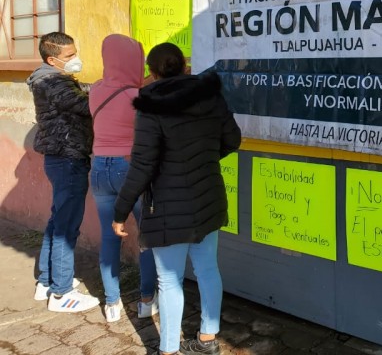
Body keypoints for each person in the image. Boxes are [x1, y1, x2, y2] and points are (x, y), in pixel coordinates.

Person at [113, 43, 241, 355]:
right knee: (208, 269)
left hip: (168, 207)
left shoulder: (150, 106)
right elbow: (233, 140)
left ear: (152, 73)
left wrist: (120, 211)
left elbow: (142, 166)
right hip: (208, 197)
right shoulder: (211, 96)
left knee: (169, 282)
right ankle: (207, 341)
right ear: (185, 66)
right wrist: (205, 159)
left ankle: (169, 350)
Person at [27, 31, 100, 312]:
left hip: (61, 159)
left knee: (58, 221)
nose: (75, 59)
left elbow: (84, 91)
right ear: (52, 59)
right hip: (68, 159)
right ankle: (62, 293)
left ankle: (46, 281)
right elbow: (89, 104)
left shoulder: (52, 79)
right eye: (69, 56)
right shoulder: (53, 82)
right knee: (66, 228)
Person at [90, 34, 158, 323]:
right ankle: (145, 300)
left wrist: (147, 80)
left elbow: (132, 85)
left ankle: (112, 304)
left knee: (109, 236)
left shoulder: (94, 89)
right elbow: (141, 92)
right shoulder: (138, 97)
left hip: (98, 169)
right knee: (146, 236)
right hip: (129, 169)